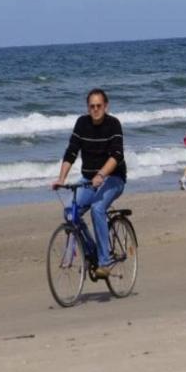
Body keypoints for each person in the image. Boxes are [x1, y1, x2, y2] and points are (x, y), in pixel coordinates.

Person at [53, 88, 127, 278]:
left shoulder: (113, 124)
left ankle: (104, 262)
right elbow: (71, 151)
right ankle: (91, 250)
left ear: (106, 106)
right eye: (92, 106)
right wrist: (61, 179)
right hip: (88, 180)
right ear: (87, 107)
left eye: (98, 106)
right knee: (70, 211)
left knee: (97, 208)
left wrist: (101, 174)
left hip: (113, 178)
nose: (95, 109)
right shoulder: (82, 123)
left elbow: (117, 155)